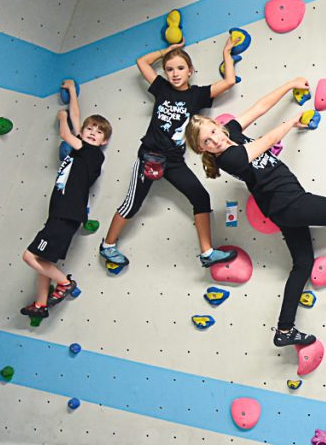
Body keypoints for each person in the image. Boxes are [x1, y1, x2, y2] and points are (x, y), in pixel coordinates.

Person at [185, 81, 326, 347]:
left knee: (302, 264)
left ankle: (285, 329)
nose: (215, 140)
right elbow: (267, 141)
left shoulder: (231, 131)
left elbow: (259, 108)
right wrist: (292, 122)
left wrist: (289, 85)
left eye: (212, 132)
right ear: (203, 149)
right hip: (291, 203)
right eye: (206, 141)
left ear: (217, 126)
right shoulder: (228, 159)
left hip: (281, 209)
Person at [99, 36, 239, 271]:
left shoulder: (197, 95)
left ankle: (207, 253)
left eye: (180, 68)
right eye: (169, 69)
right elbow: (142, 62)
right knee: (132, 204)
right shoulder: (161, 88)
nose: (174, 73)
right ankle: (107, 245)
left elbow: (230, 81)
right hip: (149, 158)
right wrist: (168, 51)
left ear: (190, 71)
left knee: (201, 198)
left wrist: (226, 52)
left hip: (174, 162)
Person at [20, 80, 111, 321]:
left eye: (98, 132)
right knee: (43, 259)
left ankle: (64, 283)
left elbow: (65, 131)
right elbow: (78, 117)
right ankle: (41, 304)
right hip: (63, 214)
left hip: (65, 214)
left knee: (29, 256)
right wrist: (71, 92)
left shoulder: (89, 153)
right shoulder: (82, 152)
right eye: (89, 128)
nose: (92, 132)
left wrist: (62, 116)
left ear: (103, 142)